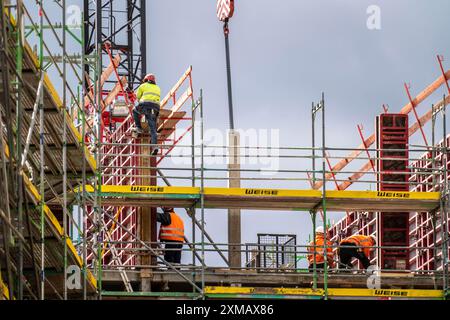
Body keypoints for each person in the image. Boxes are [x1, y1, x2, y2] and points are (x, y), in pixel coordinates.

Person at [132, 73, 161, 155]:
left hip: (145, 105)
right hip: (155, 108)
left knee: (134, 111)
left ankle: (138, 127)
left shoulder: (143, 86)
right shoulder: (158, 88)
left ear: (146, 80)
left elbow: (137, 98)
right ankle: (154, 147)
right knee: (153, 129)